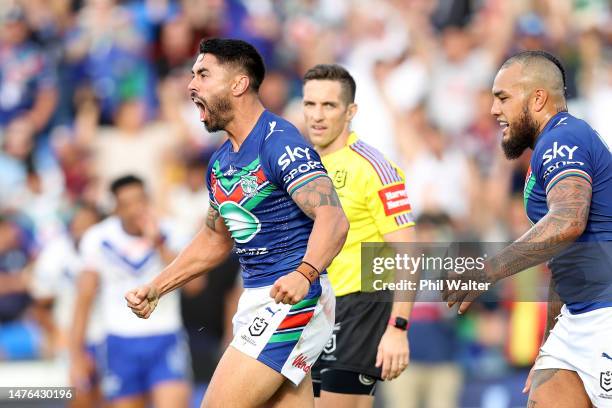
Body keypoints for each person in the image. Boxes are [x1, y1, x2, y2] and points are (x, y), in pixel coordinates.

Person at [125, 38, 349, 407]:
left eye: (203, 74)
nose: (191, 85)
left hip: (292, 298)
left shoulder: (279, 143)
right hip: (261, 299)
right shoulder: (220, 163)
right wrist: (157, 286)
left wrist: (304, 272)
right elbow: (215, 239)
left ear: (238, 84)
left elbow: (333, 218)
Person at [444, 50, 612, 407]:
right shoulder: (552, 147)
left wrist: (488, 271)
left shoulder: (562, 139)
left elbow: (568, 221)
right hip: (579, 317)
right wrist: (551, 342)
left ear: (537, 98)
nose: (493, 110)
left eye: (503, 97)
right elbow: (565, 256)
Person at [301, 64, 415, 407]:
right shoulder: (301, 164)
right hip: (310, 307)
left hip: (359, 306)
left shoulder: (372, 167)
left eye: (329, 106)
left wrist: (398, 327)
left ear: (350, 111)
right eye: (310, 104)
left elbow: (409, 252)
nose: (317, 116)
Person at [71, 175, 191, 408]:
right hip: (119, 340)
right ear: (115, 208)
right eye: (127, 204)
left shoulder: (172, 231)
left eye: (140, 201)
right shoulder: (98, 238)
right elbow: (84, 298)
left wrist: (157, 242)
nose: (136, 209)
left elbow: (194, 286)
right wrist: (76, 355)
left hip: (165, 335)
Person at [30, 203, 104, 408]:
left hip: (109, 334)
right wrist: (56, 336)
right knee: (80, 396)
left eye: (90, 224)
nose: (83, 229)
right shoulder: (55, 254)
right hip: (70, 336)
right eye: (79, 223)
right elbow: (40, 304)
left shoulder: (109, 249)